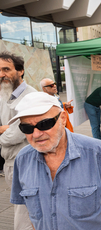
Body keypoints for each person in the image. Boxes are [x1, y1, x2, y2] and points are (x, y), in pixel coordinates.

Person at [9, 92, 101, 230]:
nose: (36, 134)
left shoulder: (95, 151)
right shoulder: (22, 160)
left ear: (63, 118)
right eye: (27, 128)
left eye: (45, 124)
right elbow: (33, 214)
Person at [0, 51, 36, 230]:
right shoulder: (5, 93)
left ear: (20, 71)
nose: (1, 74)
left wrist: (3, 131)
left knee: (24, 216)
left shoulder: (30, 96)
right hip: (10, 162)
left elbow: (14, 135)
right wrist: (4, 129)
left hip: (24, 162)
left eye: (6, 69)